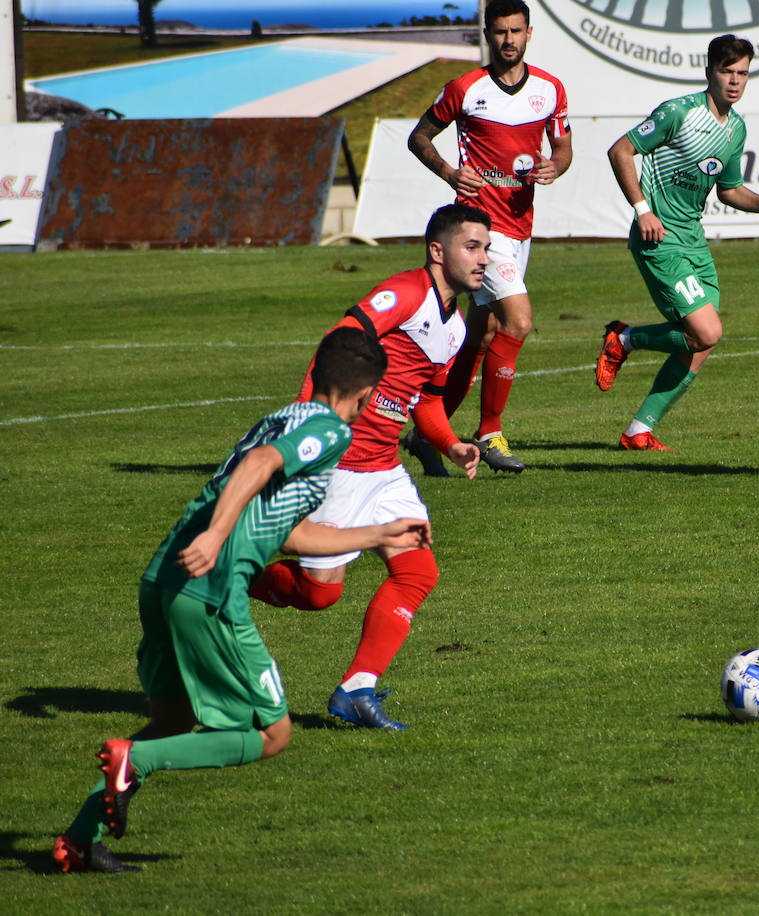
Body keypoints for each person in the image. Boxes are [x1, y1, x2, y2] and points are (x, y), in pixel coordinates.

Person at [52, 327, 433, 874]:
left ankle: (78, 840)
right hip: (210, 587)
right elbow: (257, 469)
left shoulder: (283, 416)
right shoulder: (329, 432)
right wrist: (214, 539)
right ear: (370, 395)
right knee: (272, 733)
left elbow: (288, 535)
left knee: (172, 724)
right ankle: (133, 763)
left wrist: (377, 535)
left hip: (164, 579)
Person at [248, 204, 488, 730]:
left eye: (486, 249)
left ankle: (357, 690)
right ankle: (239, 576)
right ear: (437, 251)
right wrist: (311, 430)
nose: (482, 259)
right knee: (320, 594)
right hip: (341, 463)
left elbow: (425, 397)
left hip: (383, 469)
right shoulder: (403, 294)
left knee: (418, 570)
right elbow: (335, 347)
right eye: (471, 247)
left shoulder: (453, 328)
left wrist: (449, 444)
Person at [594, 34, 759, 450]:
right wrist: (642, 210)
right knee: (707, 331)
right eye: (727, 71)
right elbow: (619, 150)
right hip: (661, 238)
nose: (735, 81)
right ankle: (624, 339)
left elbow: (730, 190)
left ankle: (639, 430)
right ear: (709, 71)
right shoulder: (678, 113)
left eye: (742, 73)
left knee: (699, 344)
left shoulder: (735, 129)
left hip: (694, 241)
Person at [406, 0, 572, 473]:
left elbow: (563, 148)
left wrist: (553, 167)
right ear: (487, 34)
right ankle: (490, 432)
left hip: (521, 229)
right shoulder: (465, 88)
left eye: (516, 31)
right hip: (481, 230)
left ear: (529, 33)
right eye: (499, 32)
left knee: (482, 337)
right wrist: (448, 172)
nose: (508, 41)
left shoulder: (550, 89)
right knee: (518, 321)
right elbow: (420, 136)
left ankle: (425, 436)